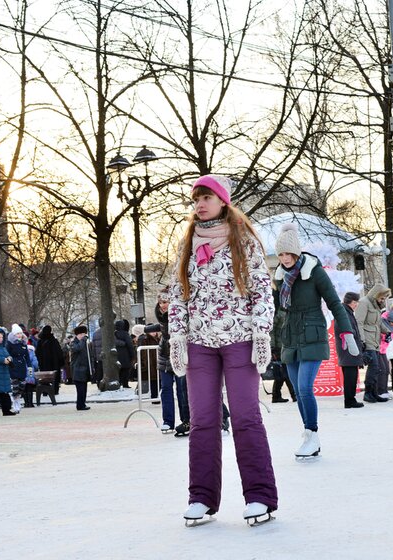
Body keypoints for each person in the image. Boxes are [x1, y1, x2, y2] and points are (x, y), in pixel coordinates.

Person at [168, 174, 277, 526]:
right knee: (202, 421)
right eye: (196, 199)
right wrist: (177, 338)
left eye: (206, 198)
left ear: (222, 201)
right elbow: (177, 296)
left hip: (240, 340)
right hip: (200, 344)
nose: (200, 204)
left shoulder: (243, 241)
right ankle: (201, 498)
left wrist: (261, 333)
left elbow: (262, 290)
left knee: (246, 418)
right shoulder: (187, 243)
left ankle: (259, 496)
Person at [274, 222, 359, 457]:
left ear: (296, 252)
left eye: (288, 253)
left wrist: (347, 333)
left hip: (312, 334)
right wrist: (270, 343)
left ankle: (312, 433)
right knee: (297, 389)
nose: (285, 258)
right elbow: (276, 312)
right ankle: (309, 435)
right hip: (290, 337)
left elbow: (334, 303)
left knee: (304, 387)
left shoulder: (314, 271)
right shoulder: (280, 276)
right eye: (280, 254)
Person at [156, 289, 191, 434]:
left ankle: (186, 420)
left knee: (183, 390)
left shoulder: (179, 314)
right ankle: (168, 421)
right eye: (160, 303)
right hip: (165, 354)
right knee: (166, 389)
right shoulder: (162, 317)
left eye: (165, 302)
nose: (163, 306)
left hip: (178, 354)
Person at [355, 284, 392, 403]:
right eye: (382, 298)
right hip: (368, 339)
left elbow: (378, 323)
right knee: (374, 366)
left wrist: (387, 332)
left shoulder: (375, 306)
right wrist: (362, 340)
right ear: (376, 295)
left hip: (375, 340)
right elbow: (359, 322)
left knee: (377, 368)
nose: (382, 301)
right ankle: (368, 393)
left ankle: (374, 393)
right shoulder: (364, 303)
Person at [335, 292, 365, 408]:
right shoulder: (344, 313)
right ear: (352, 302)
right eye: (356, 302)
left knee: (351, 375)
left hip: (349, 349)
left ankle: (351, 399)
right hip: (347, 349)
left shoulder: (346, 312)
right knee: (350, 377)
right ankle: (349, 401)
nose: (357, 304)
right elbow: (345, 331)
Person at [269, 286, 296, 404]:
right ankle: (292, 395)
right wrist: (273, 348)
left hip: (287, 345)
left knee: (284, 371)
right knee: (283, 371)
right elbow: (272, 331)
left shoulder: (288, 312)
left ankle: (277, 395)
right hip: (279, 347)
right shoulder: (279, 313)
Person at [7, 324, 33, 408]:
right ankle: (15, 402)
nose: (19, 335)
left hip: (22, 366)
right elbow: (7, 354)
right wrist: (10, 362)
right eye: (17, 334)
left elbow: (27, 356)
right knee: (15, 385)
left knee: (22, 384)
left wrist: (29, 366)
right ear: (14, 335)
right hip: (13, 366)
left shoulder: (24, 344)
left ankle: (17, 398)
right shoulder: (10, 344)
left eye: (20, 333)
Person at [35, 325, 65, 395]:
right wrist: (61, 362)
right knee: (55, 378)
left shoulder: (40, 342)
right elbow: (59, 352)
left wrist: (40, 362)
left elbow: (37, 353)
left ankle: (45, 391)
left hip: (44, 364)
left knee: (45, 378)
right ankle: (55, 391)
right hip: (54, 364)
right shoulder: (54, 341)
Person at [70, 325, 92, 411]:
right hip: (77, 370)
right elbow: (77, 349)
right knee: (80, 389)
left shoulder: (85, 344)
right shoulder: (73, 343)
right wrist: (83, 340)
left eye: (84, 334)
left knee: (84, 388)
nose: (83, 336)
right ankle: (80, 405)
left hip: (85, 369)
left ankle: (83, 403)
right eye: (82, 334)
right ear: (77, 335)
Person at [114, 319, 135, 389]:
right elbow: (130, 345)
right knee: (126, 370)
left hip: (117, 355)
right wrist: (133, 355)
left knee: (119, 370)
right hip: (125, 355)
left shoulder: (114, 333)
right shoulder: (125, 334)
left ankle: (119, 383)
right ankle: (125, 384)